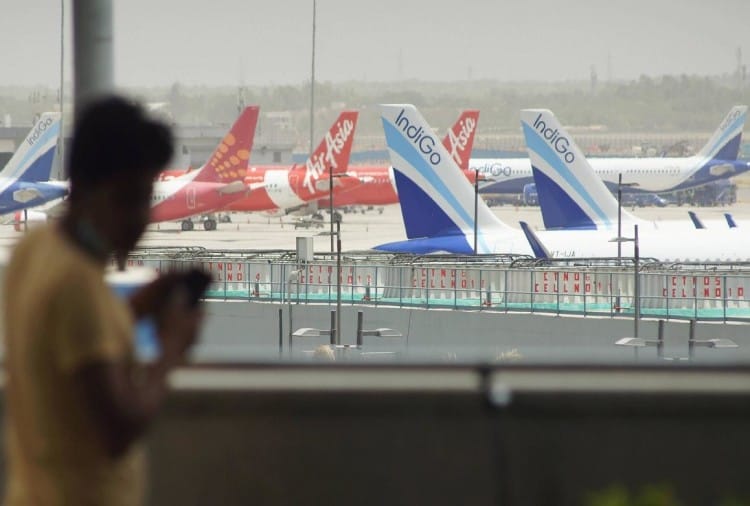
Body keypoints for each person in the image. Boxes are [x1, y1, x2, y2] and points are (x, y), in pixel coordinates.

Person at [2, 96, 203, 505]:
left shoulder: (35, 249)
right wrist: (171, 349)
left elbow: (67, 348)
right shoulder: (78, 285)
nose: (141, 218)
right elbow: (117, 429)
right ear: (87, 191)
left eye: (145, 198)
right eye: (129, 199)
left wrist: (133, 311)